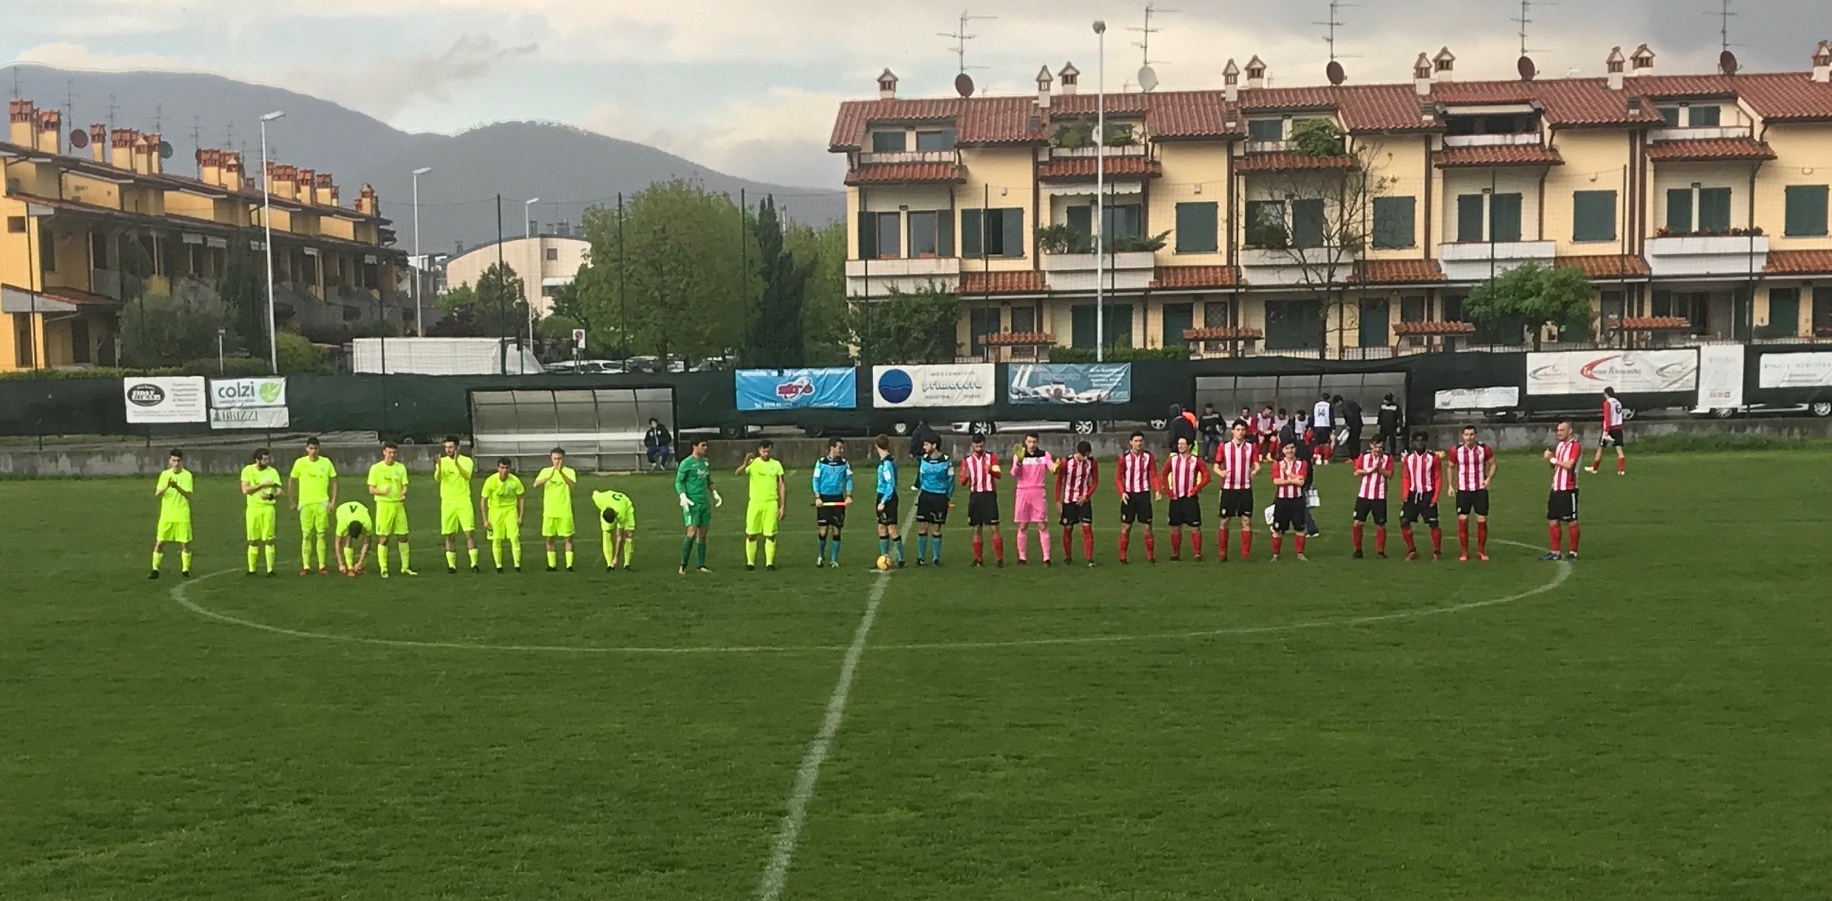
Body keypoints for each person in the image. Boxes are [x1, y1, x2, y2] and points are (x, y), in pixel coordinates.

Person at [287, 437, 338, 576]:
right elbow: (291, 481)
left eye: (315, 448)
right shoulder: (300, 463)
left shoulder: (326, 462)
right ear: (306, 449)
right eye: (311, 448)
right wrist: (292, 500)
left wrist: (332, 501)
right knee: (306, 535)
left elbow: (334, 481)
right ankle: (306, 566)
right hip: (305, 504)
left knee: (321, 534)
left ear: (319, 449)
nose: (313, 451)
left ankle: (322, 565)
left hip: (321, 503)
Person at [1212, 420, 1260, 561]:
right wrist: (1220, 473)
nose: (1240, 432)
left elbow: (1257, 465)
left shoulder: (1251, 447)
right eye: (1238, 429)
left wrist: (1255, 471)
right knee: (1225, 520)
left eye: (1243, 429)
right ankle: (1223, 553)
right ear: (1232, 431)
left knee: (1246, 521)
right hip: (1228, 489)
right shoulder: (1224, 447)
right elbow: (1215, 466)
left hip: (1245, 489)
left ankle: (1245, 554)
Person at [366, 441, 416, 577]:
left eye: (394, 453)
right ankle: (384, 568)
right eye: (389, 452)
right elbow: (371, 489)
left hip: (398, 505)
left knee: (403, 536)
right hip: (384, 505)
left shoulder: (401, 468)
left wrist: (403, 493)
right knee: (384, 538)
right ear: (384, 452)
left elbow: (404, 485)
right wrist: (382, 492)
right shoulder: (376, 468)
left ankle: (405, 567)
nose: (392, 455)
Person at [738, 439, 787, 572]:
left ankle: (769, 563)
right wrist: (745, 463)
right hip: (755, 503)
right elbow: (738, 473)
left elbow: (781, 485)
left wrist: (782, 506)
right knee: (751, 534)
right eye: (764, 451)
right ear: (759, 450)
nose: (766, 454)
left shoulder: (776, 465)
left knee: (770, 534)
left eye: (768, 451)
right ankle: (750, 563)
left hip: (771, 503)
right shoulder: (753, 464)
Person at [1450, 425, 1497, 562]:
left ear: (1475, 435)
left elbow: (1493, 464)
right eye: (1466, 434)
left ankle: (1481, 551)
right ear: (1462, 436)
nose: (1469, 437)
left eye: (1471, 434)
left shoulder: (1484, 449)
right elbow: (1450, 467)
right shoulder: (1456, 450)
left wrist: (1489, 478)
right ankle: (1464, 552)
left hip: (1479, 490)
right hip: (1463, 490)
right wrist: (1451, 486)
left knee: (1482, 520)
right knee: (1463, 520)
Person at [1398, 431, 1446, 561]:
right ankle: (1412, 550)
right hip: (1413, 494)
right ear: (1413, 442)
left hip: (1428, 494)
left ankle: (1437, 551)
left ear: (1426, 442)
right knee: (1404, 522)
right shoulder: (1408, 458)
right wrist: (1405, 493)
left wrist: (1435, 497)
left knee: (1433, 524)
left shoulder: (1433, 457)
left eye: (1422, 441)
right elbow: (1406, 476)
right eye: (1417, 441)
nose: (1419, 443)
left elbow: (1438, 478)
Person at [675, 438, 720, 574]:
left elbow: (708, 480)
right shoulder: (686, 463)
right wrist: (682, 495)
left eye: (706, 445)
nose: (705, 448)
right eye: (703, 445)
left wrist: (715, 493)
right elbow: (679, 481)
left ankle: (701, 565)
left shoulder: (705, 462)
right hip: (692, 503)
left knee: (703, 533)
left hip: (704, 503)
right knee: (692, 532)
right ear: (694, 446)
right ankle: (683, 565)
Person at [959, 433, 1005, 567]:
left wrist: (990, 470)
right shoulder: (966, 460)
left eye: (981, 445)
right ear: (972, 445)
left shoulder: (992, 457)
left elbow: (999, 474)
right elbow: (962, 481)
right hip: (975, 497)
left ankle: (999, 558)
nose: (978, 448)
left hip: (989, 495)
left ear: (984, 444)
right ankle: (978, 559)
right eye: (976, 446)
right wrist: (965, 477)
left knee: (994, 527)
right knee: (976, 528)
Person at [435, 436, 479, 574]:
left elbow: (467, 476)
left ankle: (474, 564)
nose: (448, 450)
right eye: (446, 447)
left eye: (450, 447)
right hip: (448, 502)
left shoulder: (467, 461)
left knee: (469, 532)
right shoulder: (441, 461)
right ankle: (451, 566)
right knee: (449, 535)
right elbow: (437, 478)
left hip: (463, 500)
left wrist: (456, 463)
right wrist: (440, 466)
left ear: (457, 448)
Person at [1115, 431, 1160, 564]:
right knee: (1126, 527)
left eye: (1140, 441)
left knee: (1147, 527)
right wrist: (1122, 492)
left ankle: (1150, 556)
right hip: (1129, 495)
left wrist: (1157, 490)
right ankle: (1123, 556)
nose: (1139, 443)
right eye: (1136, 441)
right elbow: (1118, 477)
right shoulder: (1124, 458)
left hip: (1144, 495)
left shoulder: (1148, 457)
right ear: (1131, 442)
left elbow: (1154, 474)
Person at [1162, 434, 1210, 561]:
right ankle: (1175, 554)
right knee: (1175, 527)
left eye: (1183, 444)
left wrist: (1196, 489)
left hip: (1190, 499)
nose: (1180, 446)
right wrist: (1169, 491)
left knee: (1195, 527)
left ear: (1189, 446)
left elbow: (1206, 476)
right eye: (1179, 444)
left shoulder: (1196, 460)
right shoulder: (1172, 460)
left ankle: (1197, 554)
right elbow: (1164, 475)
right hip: (1176, 498)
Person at [1011, 433, 1054, 566]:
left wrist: (1056, 468)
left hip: (1038, 491)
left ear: (1038, 442)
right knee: (1023, 525)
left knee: (1042, 524)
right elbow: (1014, 473)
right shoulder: (1019, 455)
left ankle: (1046, 558)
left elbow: (1051, 467)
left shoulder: (1044, 455)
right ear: (1025, 442)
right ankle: (1022, 557)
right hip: (1023, 491)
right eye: (1029, 442)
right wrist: (1018, 462)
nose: (1032, 444)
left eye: (1034, 442)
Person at [240, 448, 284, 577]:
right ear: (257, 460)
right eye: (264, 459)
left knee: (269, 539)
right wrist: (261, 485)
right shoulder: (247, 470)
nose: (267, 461)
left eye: (267, 459)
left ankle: (270, 569)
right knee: (253, 539)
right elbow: (245, 490)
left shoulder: (273, 472)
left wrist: (271, 496)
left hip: (268, 509)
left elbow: (280, 491)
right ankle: (251, 569)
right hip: (253, 509)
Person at [150, 450, 194, 579]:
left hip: (182, 514)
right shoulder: (164, 475)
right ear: (169, 461)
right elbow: (157, 494)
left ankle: (185, 570)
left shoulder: (187, 476)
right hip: (167, 515)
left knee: (185, 543)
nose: (176, 463)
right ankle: (155, 569)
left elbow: (188, 495)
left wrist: (176, 487)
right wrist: (167, 486)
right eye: (174, 460)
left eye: (178, 461)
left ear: (182, 461)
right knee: (160, 542)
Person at [1054, 440, 1099, 566]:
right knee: (1068, 529)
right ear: (1078, 453)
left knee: (1087, 528)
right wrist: (1058, 500)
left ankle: (1089, 558)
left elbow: (1095, 482)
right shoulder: (1066, 462)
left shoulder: (1092, 462)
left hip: (1084, 500)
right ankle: (1068, 557)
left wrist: (1086, 496)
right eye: (1084, 455)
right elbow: (1059, 482)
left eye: (1088, 455)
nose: (1086, 458)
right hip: (1069, 501)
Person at [534, 447, 578, 572]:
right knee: (549, 538)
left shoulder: (569, 471)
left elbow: (572, 485)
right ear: (551, 459)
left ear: (563, 459)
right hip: (549, 511)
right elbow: (535, 484)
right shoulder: (546, 471)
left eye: (559, 458)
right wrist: (549, 476)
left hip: (564, 510)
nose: (557, 461)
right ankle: (551, 565)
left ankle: (569, 565)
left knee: (568, 537)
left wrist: (561, 473)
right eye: (555, 458)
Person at [811, 438, 853, 569]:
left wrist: (849, 495)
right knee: (823, 531)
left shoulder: (844, 463)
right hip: (824, 498)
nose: (841, 450)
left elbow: (849, 479)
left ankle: (834, 560)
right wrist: (817, 497)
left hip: (838, 499)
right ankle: (821, 555)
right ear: (832, 448)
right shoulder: (821, 463)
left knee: (836, 530)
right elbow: (815, 480)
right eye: (839, 447)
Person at [478, 458, 526, 572]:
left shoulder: (515, 481)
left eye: (507, 468)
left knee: (514, 537)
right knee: (496, 539)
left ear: (510, 468)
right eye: (502, 468)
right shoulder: (490, 481)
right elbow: (483, 500)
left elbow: (521, 497)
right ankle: (499, 566)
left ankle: (517, 565)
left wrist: (521, 515)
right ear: (498, 468)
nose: (504, 471)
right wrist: (485, 520)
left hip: (510, 510)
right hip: (495, 511)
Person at [913, 436, 955, 565]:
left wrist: (947, 498)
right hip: (925, 496)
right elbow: (921, 477)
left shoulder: (946, 461)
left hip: (940, 497)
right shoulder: (924, 460)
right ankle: (921, 558)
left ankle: (936, 558)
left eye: (926, 444)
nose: (924, 447)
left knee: (936, 527)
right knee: (922, 526)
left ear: (934, 445)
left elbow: (951, 481)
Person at [1545, 420, 1582, 561]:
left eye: (1562, 430)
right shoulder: (1560, 445)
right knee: (1553, 520)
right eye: (1558, 430)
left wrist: (1552, 459)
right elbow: (1555, 467)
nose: (1558, 433)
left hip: (1569, 489)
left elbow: (1569, 465)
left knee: (1571, 521)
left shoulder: (1575, 446)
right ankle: (1555, 552)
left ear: (1570, 431)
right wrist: (1550, 460)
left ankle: (1573, 552)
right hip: (1556, 487)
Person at [1351, 437, 1393, 559]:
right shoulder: (1364, 456)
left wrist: (1380, 469)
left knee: (1380, 524)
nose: (1378, 450)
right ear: (1371, 446)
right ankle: (1358, 550)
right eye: (1376, 447)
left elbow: (1390, 474)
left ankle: (1380, 551)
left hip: (1379, 496)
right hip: (1364, 495)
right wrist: (1369, 470)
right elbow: (1356, 472)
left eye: (1381, 447)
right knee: (1358, 522)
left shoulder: (1387, 458)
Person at [1268, 442, 1311, 561]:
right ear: (1283, 450)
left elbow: (1301, 481)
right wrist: (1293, 481)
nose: (1290, 451)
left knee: (1300, 528)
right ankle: (1276, 554)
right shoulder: (1277, 463)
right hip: (1282, 500)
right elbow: (1276, 481)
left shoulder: (1301, 463)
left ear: (1295, 449)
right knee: (1277, 528)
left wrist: (1287, 472)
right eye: (1287, 448)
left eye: (1292, 448)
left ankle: (1300, 553)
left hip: (1297, 500)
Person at [872, 435, 906, 568]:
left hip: (887, 497)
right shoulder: (888, 460)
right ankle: (884, 556)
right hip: (883, 495)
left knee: (891, 528)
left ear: (876, 446)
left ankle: (901, 558)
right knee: (881, 526)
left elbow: (890, 485)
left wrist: (883, 501)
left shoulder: (886, 464)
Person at [592, 486, 637, 572]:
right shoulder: (599, 500)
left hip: (626, 506)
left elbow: (619, 537)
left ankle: (626, 564)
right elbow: (595, 493)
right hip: (608, 500)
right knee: (606, 533)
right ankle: (609, 564)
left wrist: (616, 557)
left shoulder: (621, 513)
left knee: (628, 535)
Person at [1586, 386, 1627, 476]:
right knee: (1619, 449)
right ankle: (1621, 470)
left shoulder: (1607, 403)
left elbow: (1607, 417)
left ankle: (1594, 468)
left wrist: (1606, 431)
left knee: (1600, 448)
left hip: (1610, 428)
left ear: (1606, 394)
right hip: (1618, 427)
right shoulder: (1618, 403)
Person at [333, 500, 374, 576]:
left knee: (366, 540)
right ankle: (350, 567)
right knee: (348, 540)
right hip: (343, 510)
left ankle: (357, 567)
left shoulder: (367, 524)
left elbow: (367, 542)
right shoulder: (342, 524)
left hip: (361, 509)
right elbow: (337, 542)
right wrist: (341, 564)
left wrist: (360, 562)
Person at [1311, 393, 1334, 464]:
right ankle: (1326, 459)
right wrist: (1333, 428)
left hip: (1317, 425)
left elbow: (1312, 416)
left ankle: (1317, 457)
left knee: (1318, 443)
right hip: (1326, 426)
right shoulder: (1329, 405)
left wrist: (1312, 426)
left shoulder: (1316, 405)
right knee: (1326, 443)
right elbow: (1331, 417)